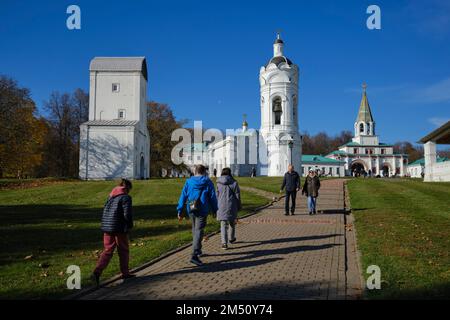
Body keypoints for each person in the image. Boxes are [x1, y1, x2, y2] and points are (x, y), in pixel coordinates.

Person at [92, 179, 134, 287]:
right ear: (127, 188)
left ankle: (97, 271)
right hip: (119, 228)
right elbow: (127, 214)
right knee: (123, 250)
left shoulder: (110, 197)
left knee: (108, 250)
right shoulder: (126, 198)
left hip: (107, 228)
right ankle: (125, 272)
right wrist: (129, 226)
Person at [177, 165, 218, 266]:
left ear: (195, 171)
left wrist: (180, 209)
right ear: (204, 172)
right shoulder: (208, 181)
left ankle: (198, 249)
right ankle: (194, 255)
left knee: (195, 228)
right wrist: (215, 209)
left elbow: (183, 195)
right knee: (199, 230)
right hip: (202, 208)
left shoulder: (189, 181)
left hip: (191, 206)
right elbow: (212, 197)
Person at [216, 167, 241, 250]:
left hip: (221, 205)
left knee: (223, 224)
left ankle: (224, 243)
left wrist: (215, 205)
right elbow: (237, 195)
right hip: (231, 205)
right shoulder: (234, 182)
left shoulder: (218, 183)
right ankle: (231, 238)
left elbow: (217, 195)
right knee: (232, 223)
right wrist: (239, 205)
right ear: (230, 173)